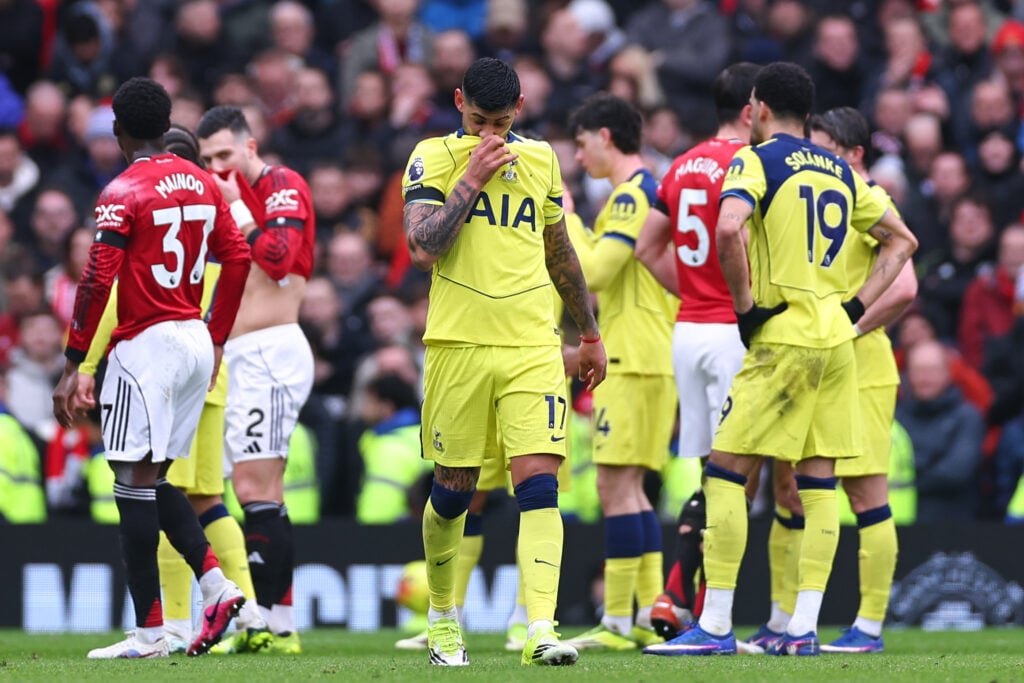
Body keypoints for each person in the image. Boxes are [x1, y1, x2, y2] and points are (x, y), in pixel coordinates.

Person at [646, 62, 917, 657]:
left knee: (724, 474)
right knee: (818, 487)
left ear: (759, 109)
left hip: (784, 338)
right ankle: (802, 631)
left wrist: (745, 308)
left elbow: (729, 228)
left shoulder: (756, 158)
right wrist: (853, 309)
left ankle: (715, 626)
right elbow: (903, 242)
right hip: (837, 345)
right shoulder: (843, 172)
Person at [402, 56, 606, 667]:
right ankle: (443, 619)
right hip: (458, 345)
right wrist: (472, 178)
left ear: (519, 109)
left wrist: (589, 332)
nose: (488, 134)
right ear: (458, 101)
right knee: (453, 493)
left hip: (531, 344)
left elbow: (559, 249)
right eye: (476, 119)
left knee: (539, 487)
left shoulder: (541, 159)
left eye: (499, 121)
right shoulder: (432, 156)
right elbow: (421, 247)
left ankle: (540, 628)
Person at [51, 76, 253, 659]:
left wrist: (72, 363)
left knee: (130, 484)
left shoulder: (121, 190)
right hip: (193, 338)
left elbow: (95, 280)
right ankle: (215, 588)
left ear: (118, 131)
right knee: (156, 480)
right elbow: (237, 257)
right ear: (167, 127)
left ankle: (149, 635)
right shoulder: (203, 182)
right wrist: (215, 338)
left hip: (148, 346)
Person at [634, 62, 760, 642]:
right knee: (739, 477)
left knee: (715, 473)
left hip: (687, 331)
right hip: (736, 330)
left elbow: (645, 248)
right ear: (751, 108)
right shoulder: (751, 164)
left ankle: (673, 596)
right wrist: (735, 303)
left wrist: (692, 292)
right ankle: (708, 609)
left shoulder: (681, 164)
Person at [196, 104, 317, 655]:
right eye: (207, 159)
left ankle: (263, 622)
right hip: (242, 354)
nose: (217, 166)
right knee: (265, 491)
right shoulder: (225, 199)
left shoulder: (281, 184)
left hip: (271, 350)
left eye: (224, 154)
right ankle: (282, 621)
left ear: (250, 146)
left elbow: (279, 258)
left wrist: (239, 206)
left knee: (252, 488)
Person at [799, 106, 917, 654]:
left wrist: (849, 328)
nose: (815, 158)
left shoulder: (873, 200)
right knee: (809, 488)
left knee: (867, 494)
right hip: (825, 365)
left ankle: (869, 626)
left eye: (823, 148)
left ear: (853, 155)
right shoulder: (829, 197)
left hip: (863, 369)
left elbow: (906, 285)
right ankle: (794, 621)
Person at [559, 93, 675, 652]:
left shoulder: (632, 195)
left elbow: (598, 273)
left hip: (632, 356)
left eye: (581, 144)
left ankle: (619, 623)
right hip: (655, 355)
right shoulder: (646, 191)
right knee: (634, 489)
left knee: (614, 486)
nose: (578, 158)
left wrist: (567, 217)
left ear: (605, 136)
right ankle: (653, 615)